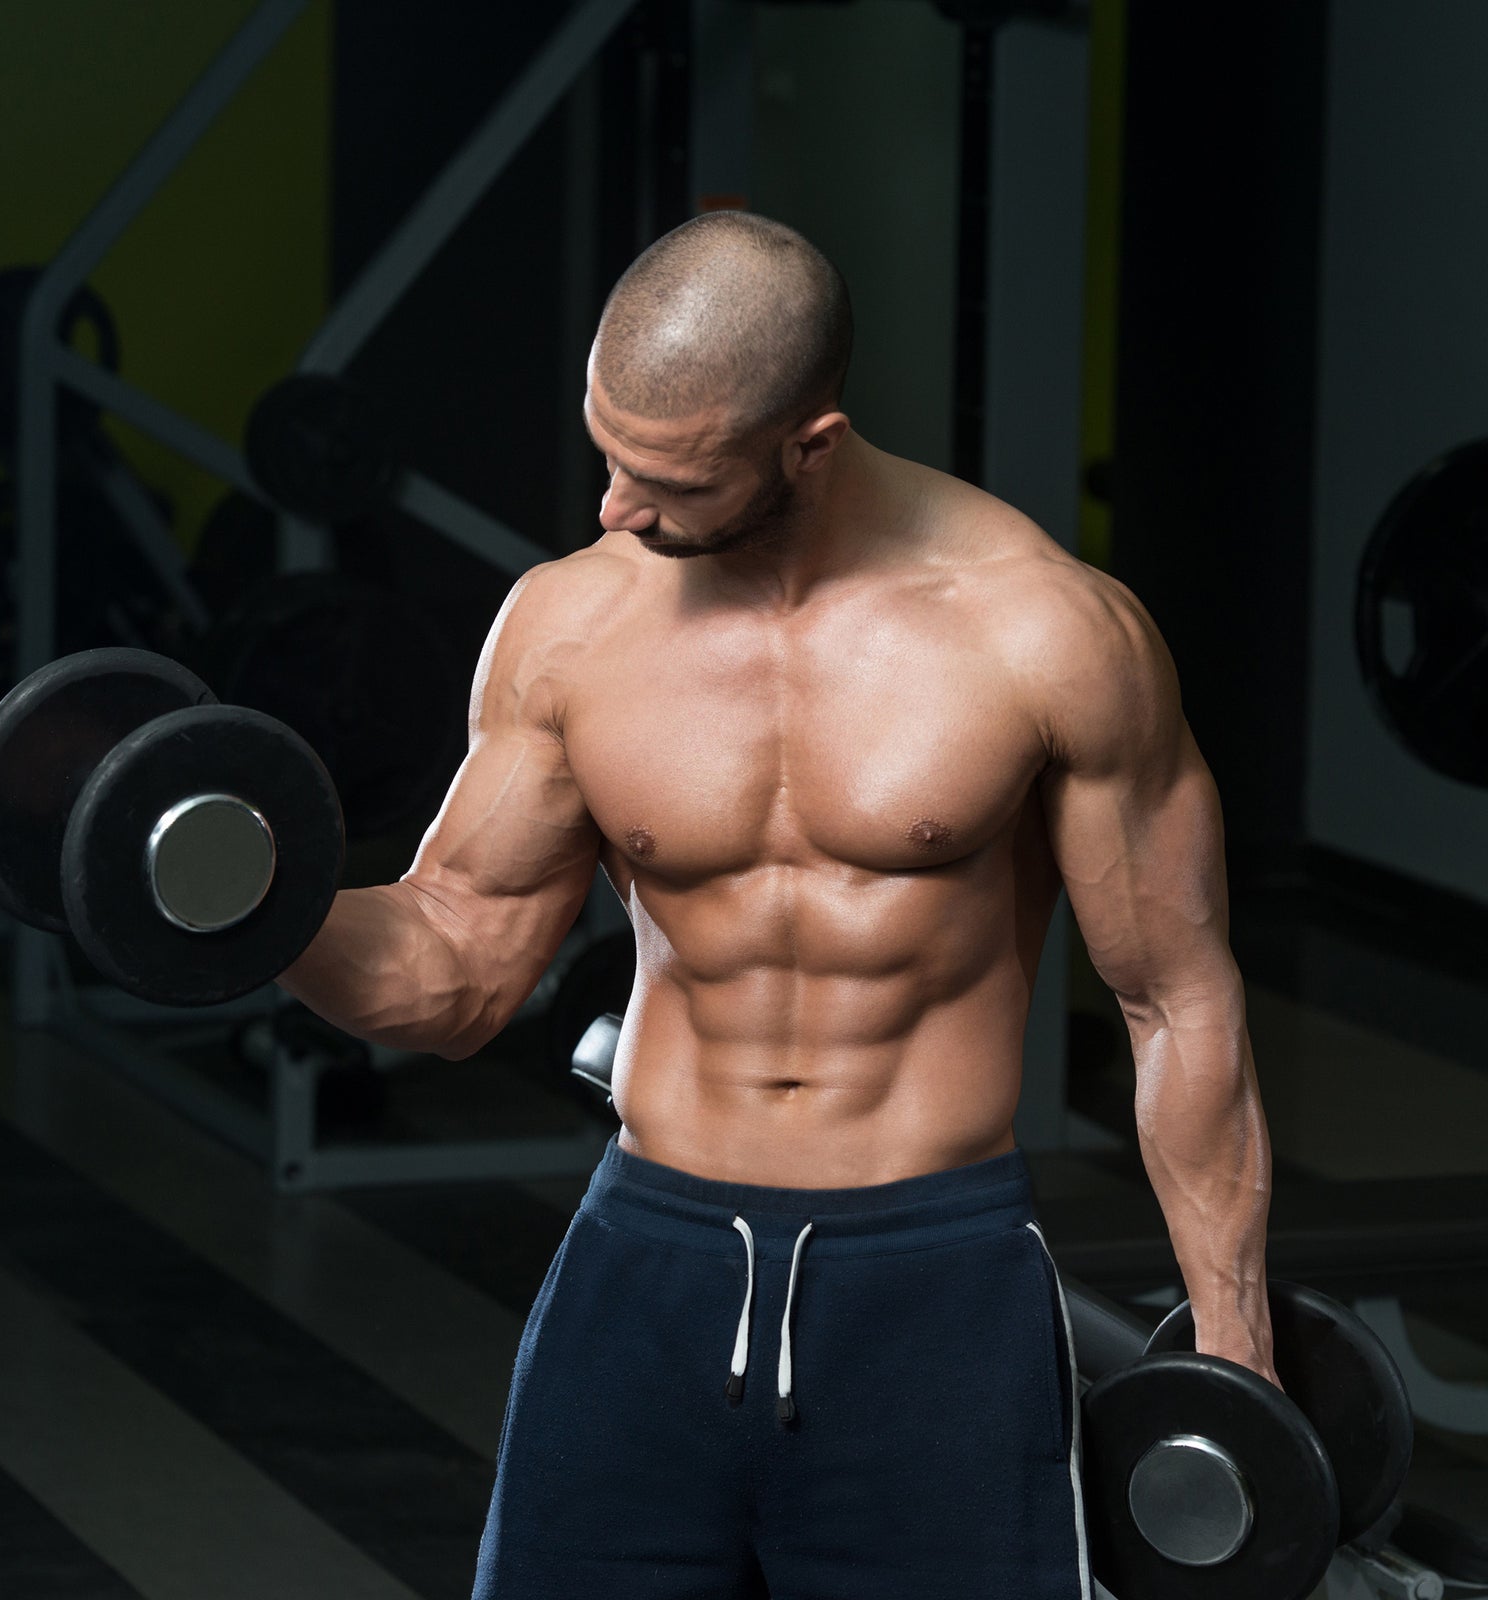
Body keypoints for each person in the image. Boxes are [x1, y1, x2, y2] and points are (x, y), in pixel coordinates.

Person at [281, 211, 1277, 1599]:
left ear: (810, 444)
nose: (615, 510)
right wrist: (257, 911)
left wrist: (1238, 1354)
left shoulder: (1047, 634)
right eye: (608, 454)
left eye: (670, 480)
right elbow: (454, 969)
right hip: (647, 1270)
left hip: (933, 1287)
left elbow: (1175, 998)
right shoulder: (571, 628)